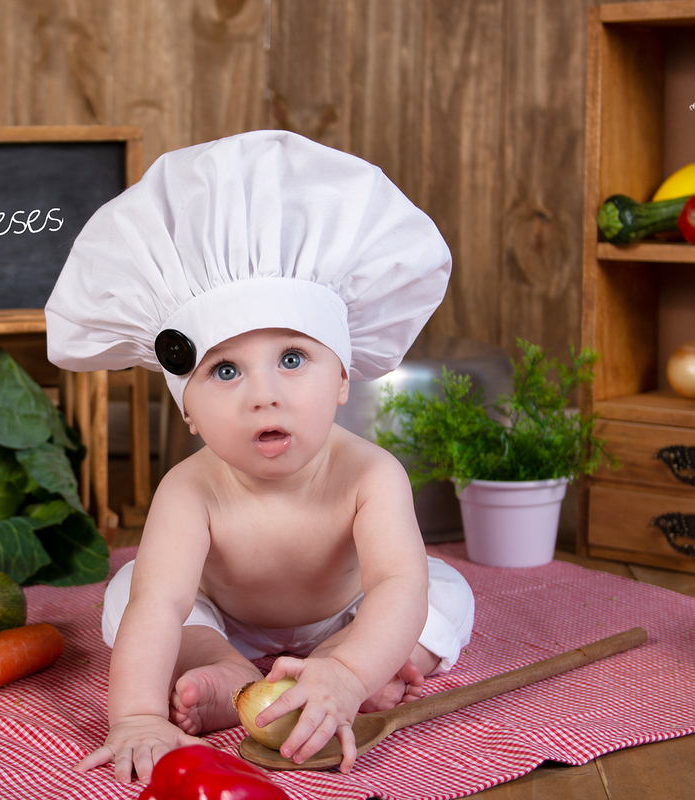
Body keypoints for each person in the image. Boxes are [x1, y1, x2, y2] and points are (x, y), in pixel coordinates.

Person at [45, 130, 474, 783]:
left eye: (293, 359)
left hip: (348, 613)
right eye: (224, 372)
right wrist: (134, 715)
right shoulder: (190, 491)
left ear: (342, 379)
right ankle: (231, 673)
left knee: (438, 596)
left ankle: (340, 672)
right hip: (227, 621)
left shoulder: (369, 474)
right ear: (187, 409)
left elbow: (393, 584)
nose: (264, 396)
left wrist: (352, 668)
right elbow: (162, 604)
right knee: (133, 596)